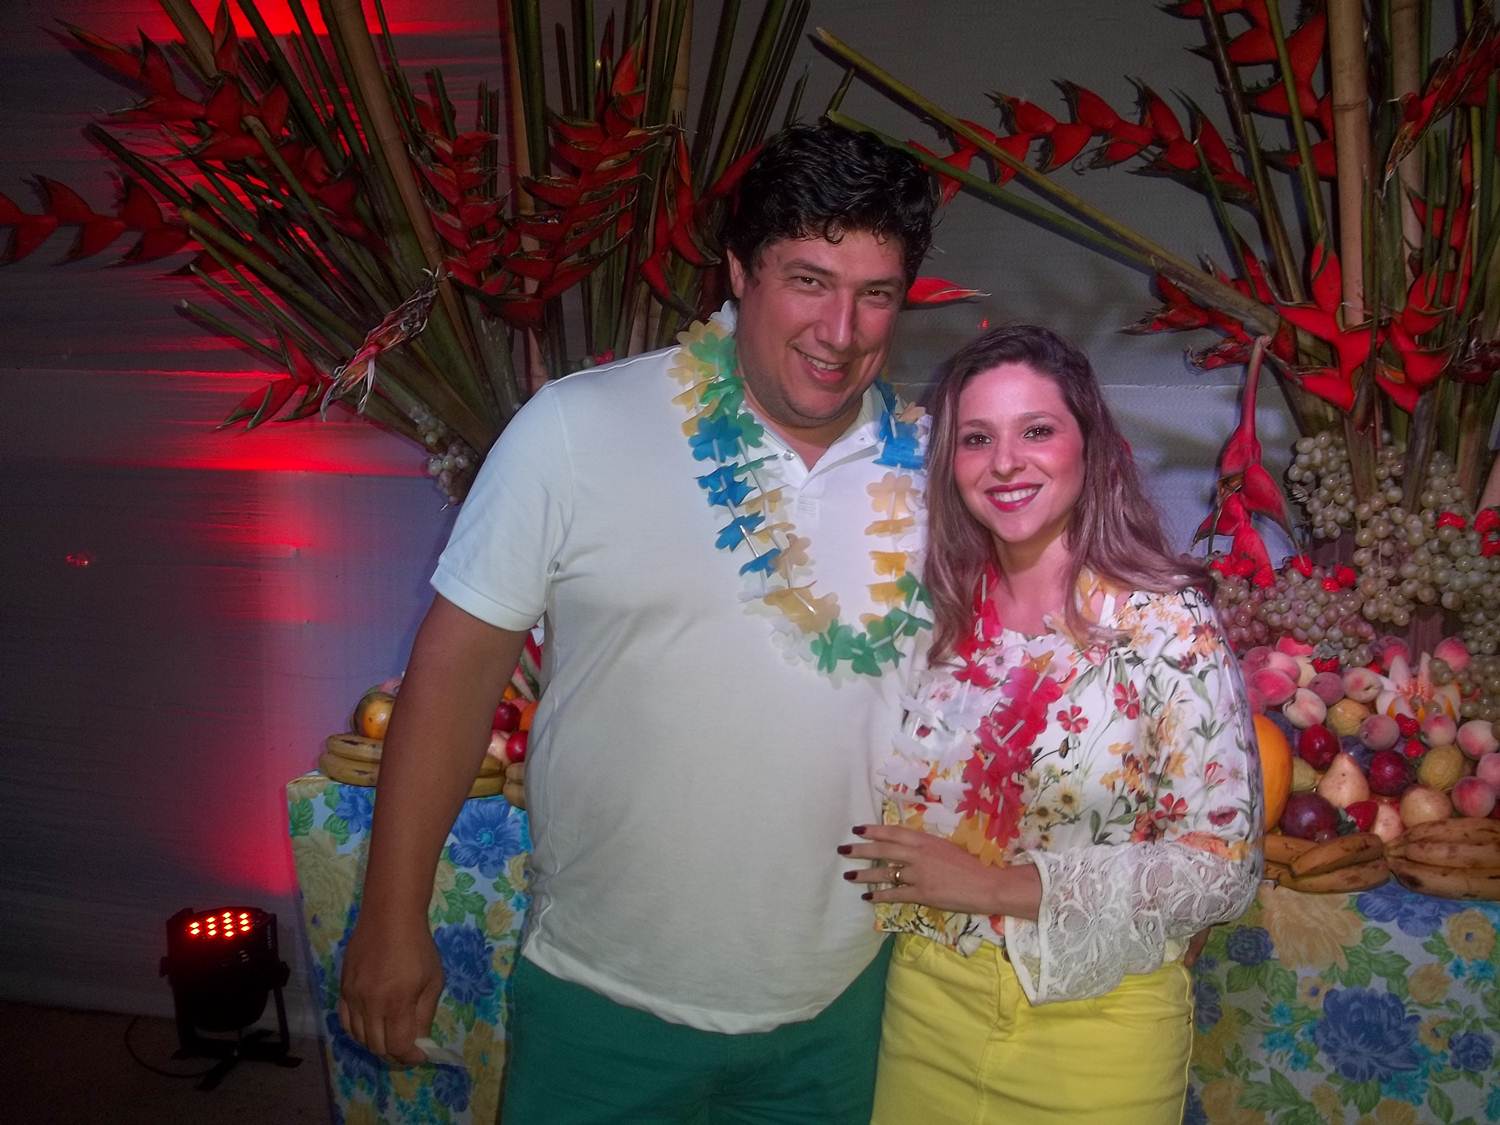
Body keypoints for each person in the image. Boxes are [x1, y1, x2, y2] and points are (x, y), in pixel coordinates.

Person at [338, 120, 937, 1123]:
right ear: (739, 270)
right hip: (603, 1001)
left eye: (875, 294)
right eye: (809, 281)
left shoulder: (938, 470)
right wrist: (391, 919)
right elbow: (454, 674)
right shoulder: (577, 429)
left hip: (839, 1006)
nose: (841, 330)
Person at [841, 325, 1262, 1124]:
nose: (1005, 462)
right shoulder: (932, 618)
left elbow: (1223, 867)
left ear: (1088, 444)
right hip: (927, 1007)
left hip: (1097, 1027)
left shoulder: (1166, 623)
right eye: (977, 438)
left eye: (1036, 430)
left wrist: (994, 887)